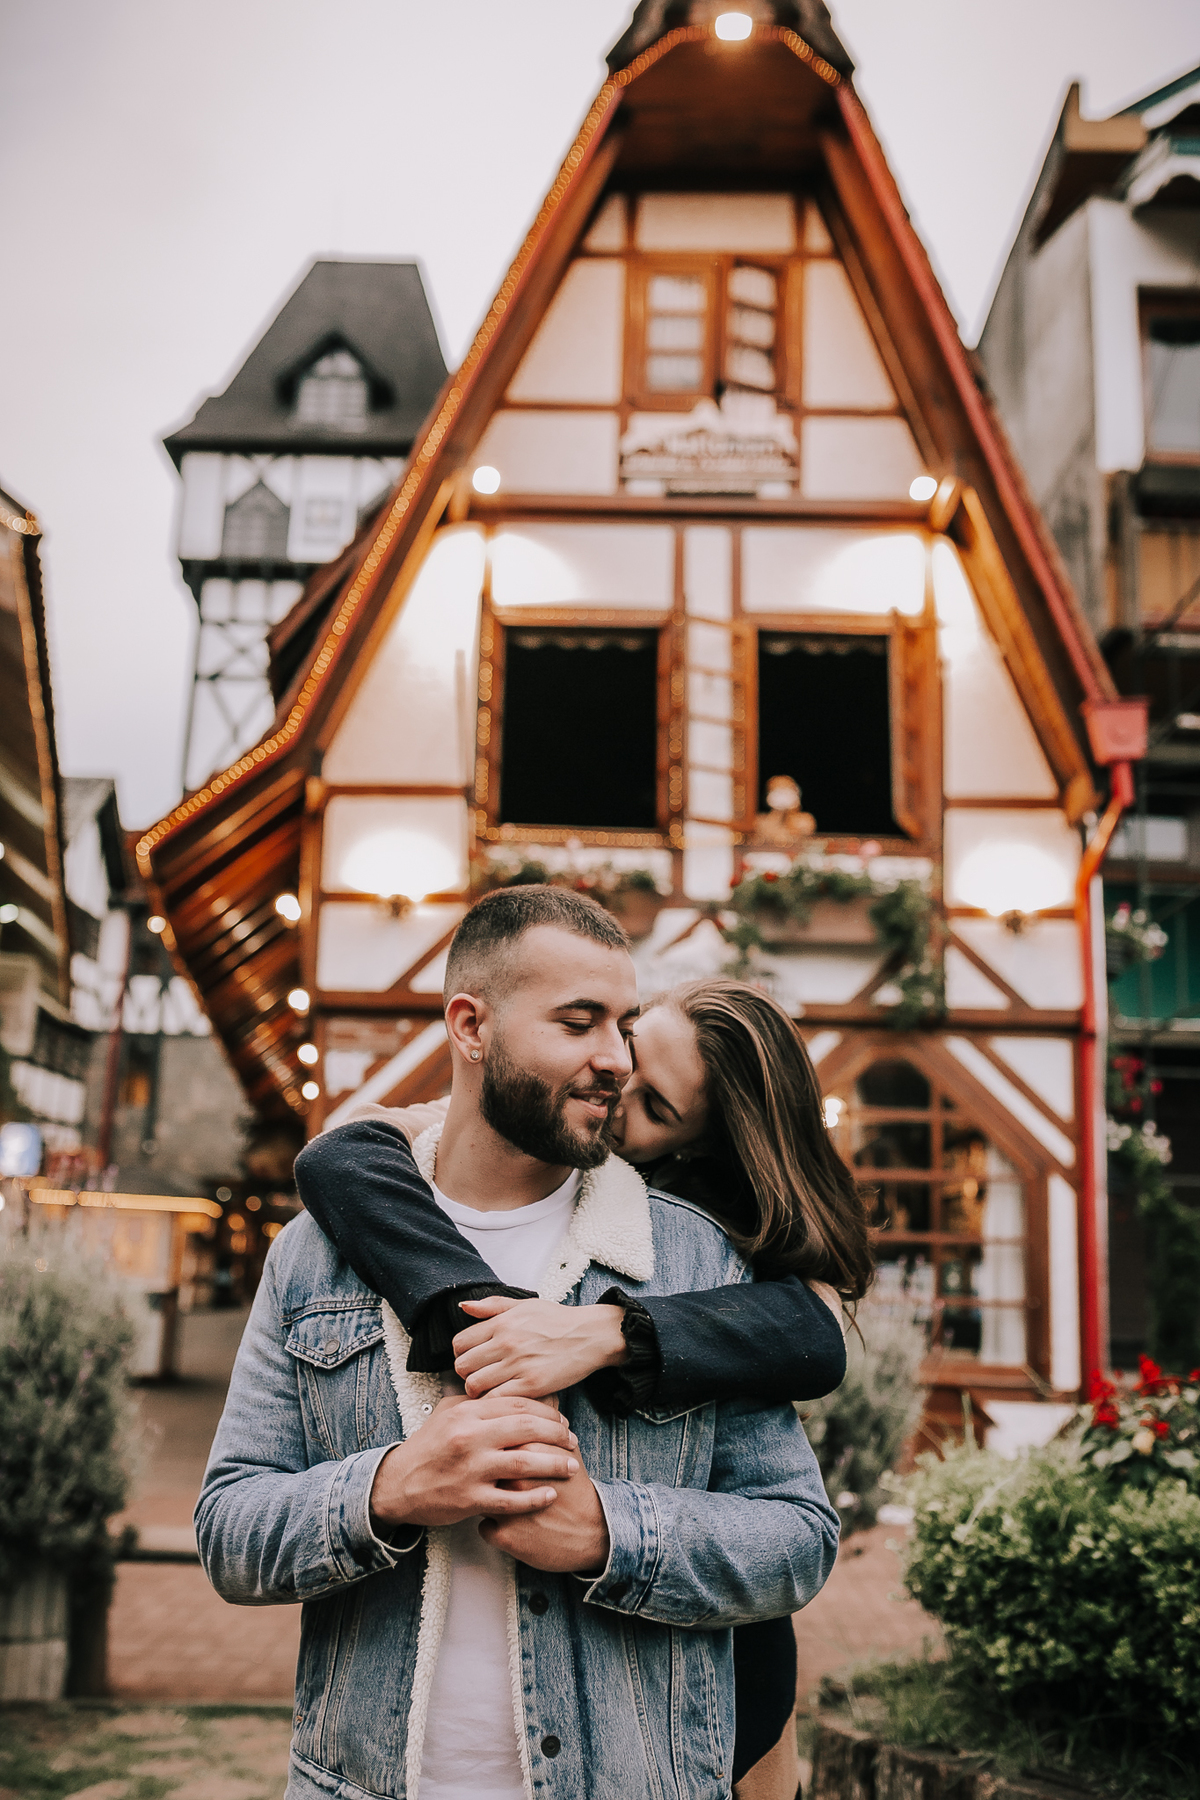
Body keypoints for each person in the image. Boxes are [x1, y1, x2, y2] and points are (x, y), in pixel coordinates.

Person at [196, 887, 841, 1800]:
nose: (614, 1062)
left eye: (623, 1027)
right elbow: (228, 1530)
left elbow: (799, 1537)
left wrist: (609, 1533)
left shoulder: (697, 1258)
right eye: (582, 1023)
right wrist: (394, 1487)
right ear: (471, 1026)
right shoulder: (319, 1250)